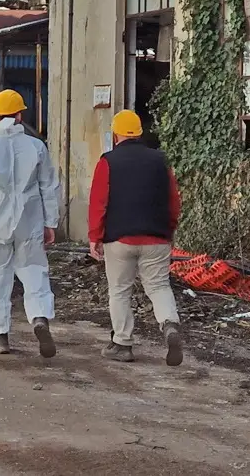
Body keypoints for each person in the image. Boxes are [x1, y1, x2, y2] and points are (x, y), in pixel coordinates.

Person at [0, 89, 60, 357]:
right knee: (34, 271)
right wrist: (51, 223)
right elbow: (49, 187)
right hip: (30, 221)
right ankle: (39, 317)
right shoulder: (37, 147)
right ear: (19, 115)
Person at [88, 109, 183, 366]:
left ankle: (122, 343)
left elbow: (99, 203)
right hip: (157, 238)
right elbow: (174, 201)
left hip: (119, 239)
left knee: (120, 290)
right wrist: (169, 230)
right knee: (159, 286)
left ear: (116, 135)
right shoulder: (160, 161)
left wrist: (95, 237)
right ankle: (170, 324)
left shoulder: (108, 162)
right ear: (140, 133)